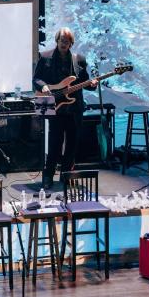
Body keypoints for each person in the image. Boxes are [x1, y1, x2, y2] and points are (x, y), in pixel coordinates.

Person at [32, 27, 95, 190]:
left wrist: (92, 85)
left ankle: (66, 176)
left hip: (74, 109)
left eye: (66, 42)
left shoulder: (79, 59)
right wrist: (44, 86)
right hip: (56, 108)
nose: (63, 44)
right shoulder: (45, 57)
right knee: (54, 143)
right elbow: (36, 79)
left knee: (72, 145)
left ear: (71, 43)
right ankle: (48, 176)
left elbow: (85, 82)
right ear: (57, 40)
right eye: (61, 41)